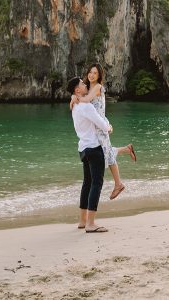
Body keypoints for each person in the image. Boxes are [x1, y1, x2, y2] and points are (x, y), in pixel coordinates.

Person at [70, 64, 136, 200]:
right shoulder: (87, 88)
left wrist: (75, 99)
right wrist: (73, 97)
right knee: (106, 151)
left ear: (99, 76)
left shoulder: (98, 87)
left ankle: (118, 184)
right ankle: (127, 149)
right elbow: (80, 95)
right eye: (90, 72)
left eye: (95, 73)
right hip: (95, 124)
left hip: (100, 125)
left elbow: (86, 100)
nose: (92, 75)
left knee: (107, 154)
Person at [68, 76, 112, 233]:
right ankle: (91, 223)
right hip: (94, 147)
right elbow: (100, 122)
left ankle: (82, 221)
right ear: (77, 90)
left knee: (87, 183)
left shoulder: (75, 105)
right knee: (96, 184)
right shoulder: (85, 106)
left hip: (83, 148)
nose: (84, 84)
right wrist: (109, 127)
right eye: (81, 83)